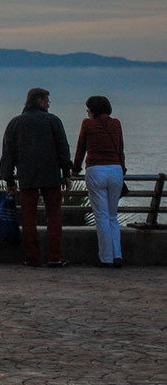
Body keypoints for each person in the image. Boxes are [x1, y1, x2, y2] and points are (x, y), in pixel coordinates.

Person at [0, 87, 72, 267]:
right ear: (39, 101)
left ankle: (33, 257)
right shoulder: (53, 121)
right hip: (51, 176)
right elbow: (63, 148)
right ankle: (54, 257)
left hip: (27, 176)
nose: (49, 104)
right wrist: (66, 173)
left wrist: (9, 179)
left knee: (28, 217)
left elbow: (8, 153)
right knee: (54, 215)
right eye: (47, 100)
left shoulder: (15, 123)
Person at [72, 96, 126, 268]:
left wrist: (74, 169)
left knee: (101, 217)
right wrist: (122, 169)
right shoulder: (116, 123)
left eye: (88, 110)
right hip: (116, 170)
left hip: (96, 170)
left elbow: (81, 148)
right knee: (112, 216)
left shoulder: (87, 124)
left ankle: (106, 258)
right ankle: (117, 255)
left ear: (93, 110)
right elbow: (121, 149)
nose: (86, 113)